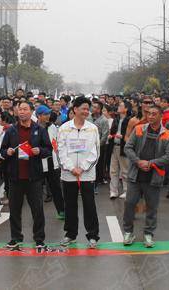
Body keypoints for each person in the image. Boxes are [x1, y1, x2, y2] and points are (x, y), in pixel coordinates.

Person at [0, 101, 52, 250]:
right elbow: (2, 150)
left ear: (31, 111)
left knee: (37, 210)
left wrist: (39, 151)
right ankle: (16, 237)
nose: (21, 112)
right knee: (14, 210)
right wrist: (7, 152)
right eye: (19, 109)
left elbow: (48, 149)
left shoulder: (39, 130)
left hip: (34, 177)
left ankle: (39, 238)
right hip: (15, 177)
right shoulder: (11, 131)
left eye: (25, 109)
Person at [122, 105, 169, 248]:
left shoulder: (168, 134)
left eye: (154, 114)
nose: (150, 116)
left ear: (161, 116)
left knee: (152, 207)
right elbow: (127, 147)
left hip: (154, 177)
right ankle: (128, 232)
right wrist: (138, 161)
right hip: (135, 175)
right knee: (130, 203)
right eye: (149, 114)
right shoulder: (139, 129)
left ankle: (148, 234)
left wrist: (150, 163)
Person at [57, 96, 100, 248]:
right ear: (75, 109)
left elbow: (95, 152)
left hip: (87, 174)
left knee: (89, 204)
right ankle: (70, 234)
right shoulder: (64, 128)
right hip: (69, 175)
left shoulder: (92, 128)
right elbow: (61, 151)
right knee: (70, 205)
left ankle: (93, 235)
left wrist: (82, 168)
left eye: (88, 109)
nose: (86, 112)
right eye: (83, 109)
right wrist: (71, 168)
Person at [36, 105, 65, 219]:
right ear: (39, 116)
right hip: (38, 163)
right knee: (37, 191)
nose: (48, 116)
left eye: (48, 113)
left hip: (53, 163)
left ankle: (61, 211)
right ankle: (37, 215)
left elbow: (57, 142)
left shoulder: (53, 127)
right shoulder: (34, 128)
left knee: (56, 188)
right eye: (45, 114)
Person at [109, 101, 131, 199]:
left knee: (125, 170)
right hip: (114, 146)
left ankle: (127, 191)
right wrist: (111, 135)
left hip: (124, 147)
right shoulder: (116, 119)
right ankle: (113, 191)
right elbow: (112, 130)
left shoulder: (129, 120)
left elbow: (131, 135)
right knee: (113, 170)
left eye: (121, 106)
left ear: (126, 109)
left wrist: (123, 137)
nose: (118, 107)